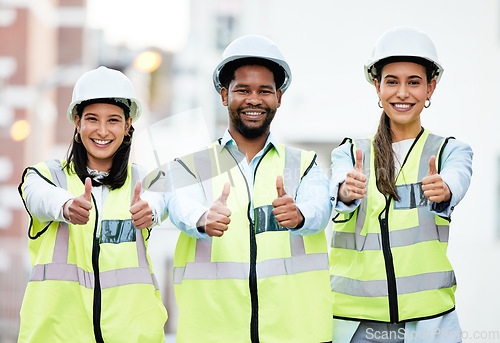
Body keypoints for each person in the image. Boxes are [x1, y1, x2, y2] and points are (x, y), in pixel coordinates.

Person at [165, 35, 333, 342]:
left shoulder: (304, 164)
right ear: (224, 95)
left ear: (278, 97)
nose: (253, 99)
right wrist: (202, 218)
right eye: (242, 90)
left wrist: (300, 216)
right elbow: (179, 206)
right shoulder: (191, 166)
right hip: (214, 334)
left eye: (264, 91)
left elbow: (321, 208)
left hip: (295, 334)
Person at [329, 27, 473, 342]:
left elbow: (458, 178)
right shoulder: (350, 152)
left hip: (427, 323)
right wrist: (345, 191)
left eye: (414, 82)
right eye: (392, 82)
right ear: (377, 87)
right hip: (356, 324)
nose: (403, 93)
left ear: (430, 88)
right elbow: (337, 186)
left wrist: (445, 190)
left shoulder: (450, 151)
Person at [17, 66, 168, 342]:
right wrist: (65, 206)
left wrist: (152, 211)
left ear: (127, 125)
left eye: (113, 120)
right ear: (77, 122)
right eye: (92, 119)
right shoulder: (47, 177)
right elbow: (38, 197)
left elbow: (159, 199)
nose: (102, 130)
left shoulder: (144, 181)